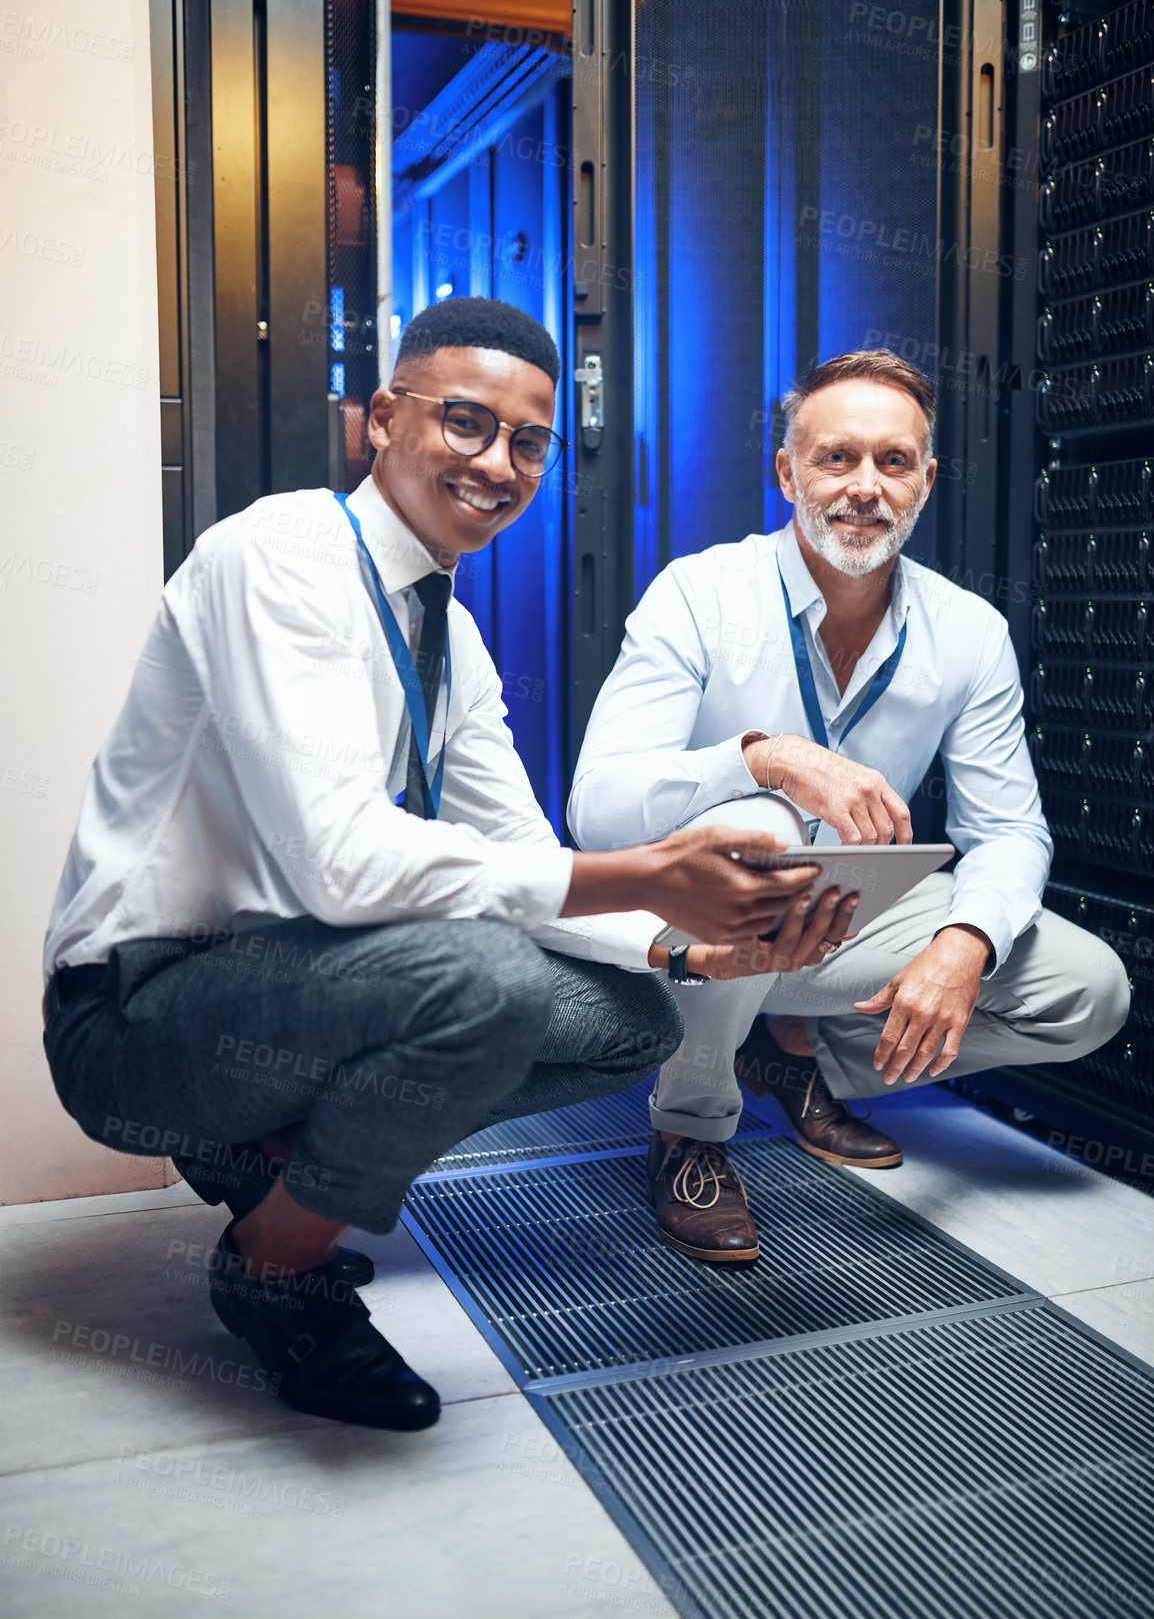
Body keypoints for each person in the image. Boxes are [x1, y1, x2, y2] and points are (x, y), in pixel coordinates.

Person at [41, 297, 847, 1432]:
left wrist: (692, 946)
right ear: (381, 418)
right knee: (487, 979)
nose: (497, 464)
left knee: (632, 1019)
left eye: (528, 441)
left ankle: (270, 1154)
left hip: (289, 988)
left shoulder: (447, 637)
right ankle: (276, 1265)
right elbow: (341, 869)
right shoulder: (277, 556)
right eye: (464, 423)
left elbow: (515, 855)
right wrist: (647, 873)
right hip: (135, 1015)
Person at [569, 348, 1131, 1264]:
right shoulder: (699, 594)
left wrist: (965, 944)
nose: (865, 486)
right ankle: (692, 1124)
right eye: (837, 458)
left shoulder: (969, 632)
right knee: (766, 828)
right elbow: (596, 808)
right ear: (787, 470)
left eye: (894, 462)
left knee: (1088, 993)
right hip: (690, 933)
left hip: (851, 925)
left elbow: (1010, 830)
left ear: (926, 481)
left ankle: (793, 1052)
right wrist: (767, 758)